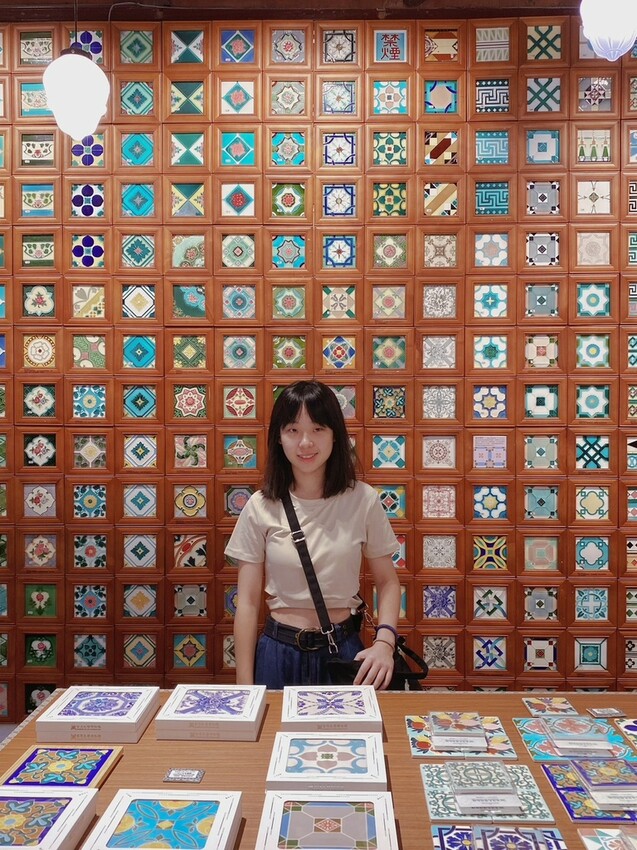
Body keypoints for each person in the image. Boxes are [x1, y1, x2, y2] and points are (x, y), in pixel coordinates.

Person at [224, 379, 401, 689]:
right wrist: (244, 685)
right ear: (279, 438)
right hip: (277, 653)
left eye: (318, 429)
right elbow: (248, 603)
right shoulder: (260, 505)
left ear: (335, 435)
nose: (305, 442)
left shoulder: (363, 500)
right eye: (293, 430)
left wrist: (385, 643)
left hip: (343, 652)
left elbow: (388, 582)